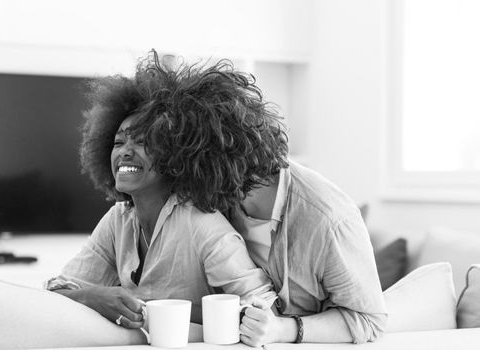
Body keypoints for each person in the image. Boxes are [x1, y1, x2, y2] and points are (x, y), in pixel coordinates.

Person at [45, 50, 276, 343]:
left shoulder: (201, 224)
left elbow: (261, 307)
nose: (125, 151)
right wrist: (95, 296)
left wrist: (176, 316)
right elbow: (57, 293)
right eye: (118, 141)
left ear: (177, 156)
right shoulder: (119, 218)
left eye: (143, 142)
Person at [173, 57, 387, 345]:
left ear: (217, 161)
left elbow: (369, 321)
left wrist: (283, 329)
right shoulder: (221, 201)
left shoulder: (328, 219)